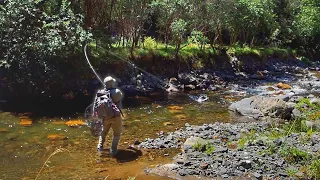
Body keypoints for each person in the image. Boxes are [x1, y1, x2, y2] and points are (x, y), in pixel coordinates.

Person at [96, 76, 123, 156]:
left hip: (105, 117)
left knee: (104, 132)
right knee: (117, 134)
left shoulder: (100, 93)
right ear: (112, 83)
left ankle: (99, 146)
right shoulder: (117, 92)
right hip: (115, 117)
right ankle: (113, 150)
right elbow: (119, 96)